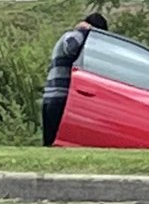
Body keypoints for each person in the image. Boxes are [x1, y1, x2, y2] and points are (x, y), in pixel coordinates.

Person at [42, 12, 109, 146]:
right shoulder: (75, 35)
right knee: (54, 140)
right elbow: (70, 48)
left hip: (53, 96)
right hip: (59, 96)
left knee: (51, 141)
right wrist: (84, 31)